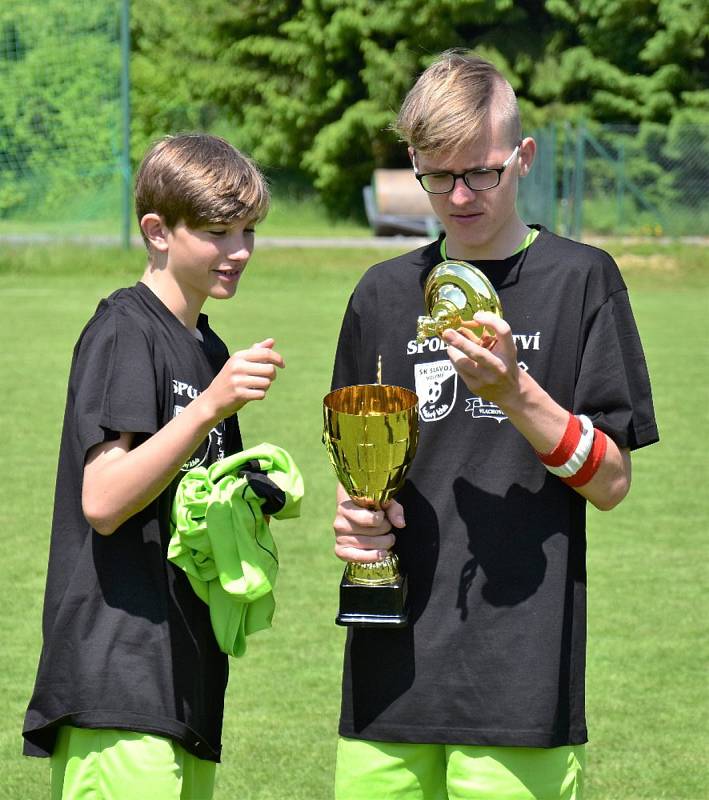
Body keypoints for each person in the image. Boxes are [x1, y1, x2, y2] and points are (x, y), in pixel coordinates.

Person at [329, 50, 658, 800]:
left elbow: (610, 482)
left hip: (518, 677)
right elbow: (359, 471)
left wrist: (513, 390)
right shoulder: (380, 294)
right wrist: (355, 524)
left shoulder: (583, 280)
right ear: (414, 163)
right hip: (388, 670)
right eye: (436, 176)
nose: (460, 195)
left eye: (481, 172)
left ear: (522, 157)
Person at [22, 133, 285, 799]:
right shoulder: (125, 329)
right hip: (117, 677)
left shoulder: (206, 346)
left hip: (185, 679)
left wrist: (249, 496)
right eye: (218, 232)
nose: (240, 252)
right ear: (157, 230)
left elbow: (185, 503)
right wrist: (209, 409)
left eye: (249, 231)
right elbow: (104, 501)